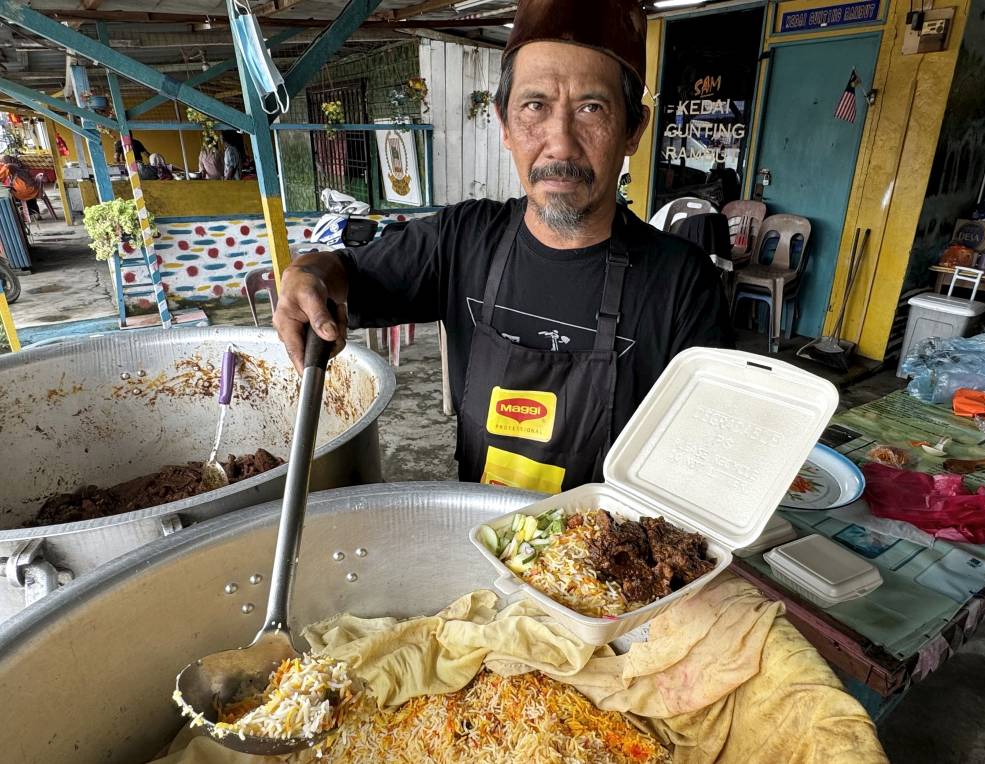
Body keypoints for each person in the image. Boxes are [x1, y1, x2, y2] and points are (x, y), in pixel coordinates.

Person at [274, 0, 733, 494]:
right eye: (535, 106)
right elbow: (342, 273)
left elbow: (708, 456)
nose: (560, 143)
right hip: (479, 543)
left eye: (591, 108)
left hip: (610, 555)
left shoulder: (682, 282)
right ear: (505, 124)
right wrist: (308, 274)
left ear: (633, 131)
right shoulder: (463, 239)